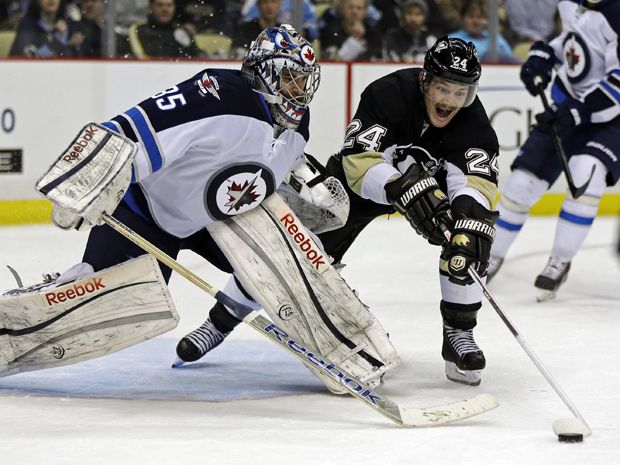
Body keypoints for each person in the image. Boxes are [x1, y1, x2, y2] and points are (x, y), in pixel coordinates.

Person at [178, 37, 501, 387]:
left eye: (460, 92)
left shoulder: (474, 124)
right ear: (425, 80)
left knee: (469, 237)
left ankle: (458, 335)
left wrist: (465, 219)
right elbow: (358, 163)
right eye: (443, 89)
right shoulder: (388, 93)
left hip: (432, 196)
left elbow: (476, 183)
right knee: (299, 249)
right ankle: (220, 321)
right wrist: (402, 189)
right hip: (365, 186)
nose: (450, 101)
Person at [487, 0, 620, 301]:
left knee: (586, 173)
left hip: (610, 119)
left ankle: (560, 259)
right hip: (570, 104)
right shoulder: (570, 3)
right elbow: (573, 40)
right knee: (522, 182)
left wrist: (577, 112)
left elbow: (618, 83)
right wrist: (543, 56)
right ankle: (491, 255)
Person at [127, 0, 205, 59]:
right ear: (150, 7)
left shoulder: (182, 31)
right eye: (159, 5)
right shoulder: (138, 30)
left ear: (174, 7)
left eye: (169, 5)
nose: (165, 9)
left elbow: (197, 57)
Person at [449, 0, 519, 63]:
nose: (475, 21)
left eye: (480, 17)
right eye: (471, 17)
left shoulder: (495, 37)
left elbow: (510, 59)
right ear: (462, 20)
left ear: (486, 21)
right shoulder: (453, 39)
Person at [9, 0, 81, 57]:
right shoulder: (27, 25)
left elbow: (76, 60)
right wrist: (58, 41)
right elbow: (29, 59)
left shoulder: (68, 24)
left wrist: (71, 46)